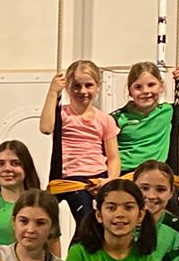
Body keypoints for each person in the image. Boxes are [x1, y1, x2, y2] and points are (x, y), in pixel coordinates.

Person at [39, 60, 119, 227]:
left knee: (103, 221)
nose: (83, 91)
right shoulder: (62, 114)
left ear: (98, 87)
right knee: (85, 220)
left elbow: (113, 157)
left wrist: (111, 179)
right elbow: (46, 128)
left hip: (98, 176)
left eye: (89, 85)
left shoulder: (105, 119)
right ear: (67, 87)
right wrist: (53, 92)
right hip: (71, 178)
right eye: (76, 86)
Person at [112, 61, 179, 178]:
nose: (145, 91)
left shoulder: (168, 111)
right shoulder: (118, 118)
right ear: (130, 91)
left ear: (161, 87)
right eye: (138, 87)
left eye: (151, 85)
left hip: (155, 173)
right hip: (125, 173)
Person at [0, 139, 47, 245]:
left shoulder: (42, 205)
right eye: (0, 164)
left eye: (15, 163)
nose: (7, 169)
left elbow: (53, 250)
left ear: (27, 167)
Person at [131, 159, 179, 261]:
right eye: (144, 188)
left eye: (160, 190)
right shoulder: (117, 223)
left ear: (171, 192)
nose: (151, 196)